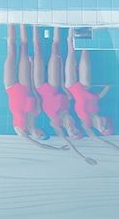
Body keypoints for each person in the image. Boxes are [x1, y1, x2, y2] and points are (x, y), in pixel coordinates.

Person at [65, 28, 119, 156]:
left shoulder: (86, 124)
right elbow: (108, 86)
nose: (103, 126)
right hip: (84, 85)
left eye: (104, 129)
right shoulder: (96, 104)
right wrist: (95, 85)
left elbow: (101, 141)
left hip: (71, 86)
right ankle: (86, 31)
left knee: (71, 50)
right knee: (85, 52)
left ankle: (71, 29)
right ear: (108, 121)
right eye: (107, 126)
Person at [33, 26, 97, 165]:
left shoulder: (56, 124)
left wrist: (82, 157)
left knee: (37, 51)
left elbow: (66, 141)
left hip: (39, 87)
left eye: (73, 135)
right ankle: (58, 24)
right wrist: (61, 67)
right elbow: (63, 87)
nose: (73, 132)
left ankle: (35, 25)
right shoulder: (71, 109)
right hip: (54, 85)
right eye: (77, 132)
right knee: (55, 52)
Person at [4, 24, 66, 151]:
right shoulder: (37, 111)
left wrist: (57, 150)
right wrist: (32, 67)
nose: (39, 135)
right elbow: (33, 90)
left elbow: (39, 146)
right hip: (25, 85)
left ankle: (10, 22)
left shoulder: (21, 131)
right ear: (41, 130)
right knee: (23, 49)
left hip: (11, 88)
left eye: (39, 137)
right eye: (42, 134)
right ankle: (22, 23)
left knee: (11, 51)